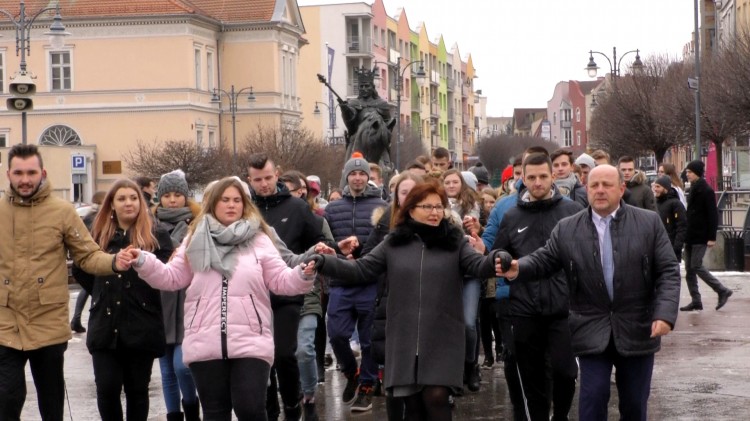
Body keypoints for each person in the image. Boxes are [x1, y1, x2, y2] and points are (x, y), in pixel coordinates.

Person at [497, 164, 681, 421]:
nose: (600, 191)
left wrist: (664, 314)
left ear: (621, 188)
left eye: (607, 185)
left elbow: (668, 271)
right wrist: (518, 267)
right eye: (594, 185)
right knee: (592, 399)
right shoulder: (568, 228)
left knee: (634, 405)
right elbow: (544, 259)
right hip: (591, 326)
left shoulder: (648, 223)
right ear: (586, 189)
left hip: (637, 326)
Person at [125, 177, 317, 421]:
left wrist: (302, 273)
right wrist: (144, 261)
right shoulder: (194, 238)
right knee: (215, 414)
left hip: (251, 341)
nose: (231, 205)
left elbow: (281, 280)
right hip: (205, 341)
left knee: (250, 409)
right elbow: (171, 278)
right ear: (213, 203)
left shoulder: (260, 240)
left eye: (237, 200)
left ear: (245, 204)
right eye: (225, 200)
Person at [313, 180, 504, 421]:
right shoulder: (394, 242)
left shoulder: (454, 240)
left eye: (439, 207)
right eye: (428, 207)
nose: (435, 212)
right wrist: (327, 262)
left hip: (441, 336)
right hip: (404, 338)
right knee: (412, 407)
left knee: (436, 397)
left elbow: (478, 266)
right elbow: (362, 269)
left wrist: (495, 256)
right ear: (411, 208)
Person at [0, 144, 128, 421]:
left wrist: (114, 262)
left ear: (42, 173)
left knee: (51, 402)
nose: (25, 179)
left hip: (48, 320)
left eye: (31, 172)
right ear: (8, 174)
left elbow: (88, 255)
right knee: (7, 398)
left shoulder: (62, 211)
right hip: (5, 321)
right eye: (19, 173)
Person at [72, 179, 174, 421]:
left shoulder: (156, 234)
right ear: (112, 204)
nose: (128, 203)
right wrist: (101, 291)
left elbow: (166, 274)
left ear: (141, 202)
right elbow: (81, 269)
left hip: (142, 322)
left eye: (133, 198)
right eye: (122, 198)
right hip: (105, 324)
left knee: (137, 390)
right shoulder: (97, 234)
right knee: (106, 389)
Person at [491, 153, 583, 421]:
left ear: (553, 176)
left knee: (565, 372)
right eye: (531, 177)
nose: (537, 182)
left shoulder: (572, 211)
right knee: (531, 378)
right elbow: (499, 252)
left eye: (543, 176)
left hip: (563, 308)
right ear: (522, 178)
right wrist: (493, 257)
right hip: (524, 308)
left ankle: (561, 415)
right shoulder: (511, 216)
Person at [247, 154, 328, 420]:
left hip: (287, 291)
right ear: (249, 179)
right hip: (253, 296)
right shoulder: (245, 209)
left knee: (284, 354)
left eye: (268, 178)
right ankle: (270, 411)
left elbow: (317, 240)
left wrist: (325, 252)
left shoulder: (296, 207)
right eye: (257, 179)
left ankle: (292, 405)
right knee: (262, 360)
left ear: (277, 174)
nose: (263, 184)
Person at [324, 153, 388, 412]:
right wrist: (339, 254)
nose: (358, 177)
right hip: (340, 279)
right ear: (346, 176)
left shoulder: (381, 205)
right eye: (353, 173)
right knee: (337, 334)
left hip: (370, 280)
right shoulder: (332, 209)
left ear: (368, 177)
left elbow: (385, 241)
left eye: (362, 173)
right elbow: (324, 242)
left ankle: (367, 386)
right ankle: (352, 372)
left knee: (369, 338)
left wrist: (363, 255)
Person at [152, 170, 202, 421]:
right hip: (160, 302)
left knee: (182, 366)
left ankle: (192, 406)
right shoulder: (149, 224)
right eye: (167, 195)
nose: (172, 200)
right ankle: (174, 415)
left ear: (186, 197)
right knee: (166, 369)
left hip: (188, 301)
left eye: (178, 195)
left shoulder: (197, 222)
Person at [442, 169, 483, 391]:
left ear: (462, 184)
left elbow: (479, 235)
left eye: (454, 181)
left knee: (468, 322)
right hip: (447, 270)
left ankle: (471, 365)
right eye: (446, 182)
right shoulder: (437, 206)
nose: (450, 185)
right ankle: (454, 371)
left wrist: (472, 225)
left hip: (469, 271)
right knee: (450, 324)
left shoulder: (471, 205)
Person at [680, 160, 733, 312]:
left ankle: (721, 290)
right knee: (689, 269)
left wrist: (712, 237)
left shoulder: (706, 190)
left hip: (700, 235)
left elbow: (713, 215)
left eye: (689, 172)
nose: (687, 174)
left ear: (697, 172)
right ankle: (696, 300)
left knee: (696, 266)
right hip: (691, 235)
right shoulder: (694, 188)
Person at [70, 190, 107, 334]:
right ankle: (85, 322)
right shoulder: (99, 218)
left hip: (84, 259)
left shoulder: (88, 216)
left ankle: (77, 319)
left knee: (87, 290)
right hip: (93, 258)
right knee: (95, 292)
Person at [652, 176, 687, 261]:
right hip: (658, 247)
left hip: (671, 248)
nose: (655, 189)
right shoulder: (654, 203)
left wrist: (676, 247)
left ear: (666, 189)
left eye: (658, 187)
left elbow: (682, 226)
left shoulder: (675, 204)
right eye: (654, 186)